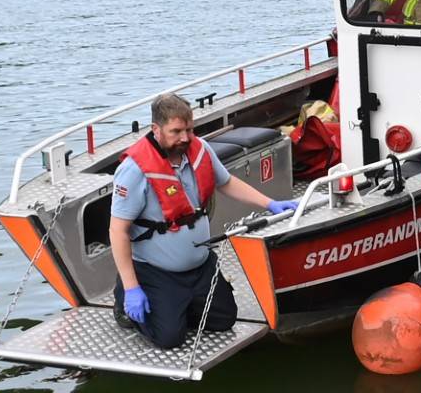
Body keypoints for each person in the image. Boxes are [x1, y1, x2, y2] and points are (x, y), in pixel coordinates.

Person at [111, 93, 299, 349]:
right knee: (169, 339)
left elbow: (227, 182)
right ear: (156, 129)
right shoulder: (134, 171)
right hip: (157, 271)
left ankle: (174, 306)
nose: (185, 138)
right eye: (176, 131)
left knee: (224, 320)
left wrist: (270, 203)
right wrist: (132, 287)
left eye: (189, 129)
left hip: (200, 266)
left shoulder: (199, 149)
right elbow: (118, 231)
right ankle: (124, 295)